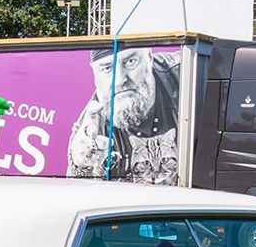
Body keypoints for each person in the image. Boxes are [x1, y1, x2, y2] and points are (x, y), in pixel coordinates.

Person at [65, 46, 180, 184]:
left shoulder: (188, 74)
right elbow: (77, 191)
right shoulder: (92, 124)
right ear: (95, 74)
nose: (119, 80)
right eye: (107, 68)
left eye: (131, 61)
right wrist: (79, 164)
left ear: (150, 57)